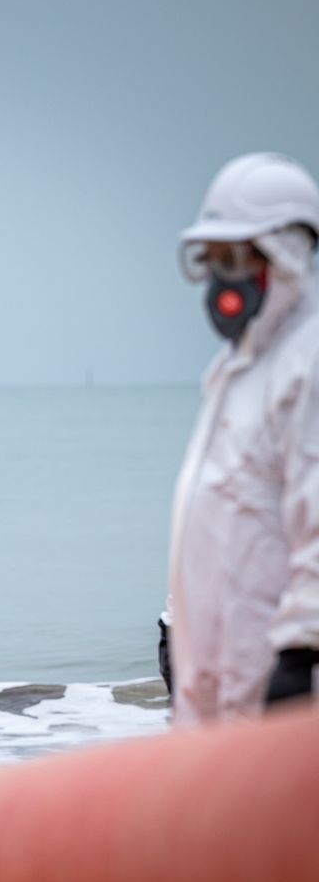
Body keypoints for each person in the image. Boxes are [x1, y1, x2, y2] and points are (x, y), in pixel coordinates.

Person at [163, 151, 319, 726]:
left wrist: (304, 650)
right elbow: (221, 509)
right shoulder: (233, 371)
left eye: (237, 256)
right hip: (214, 679)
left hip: (277, 681)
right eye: (214, 257)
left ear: (283, 255)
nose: (221, 275)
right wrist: (174, 623)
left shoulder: (309, 361)